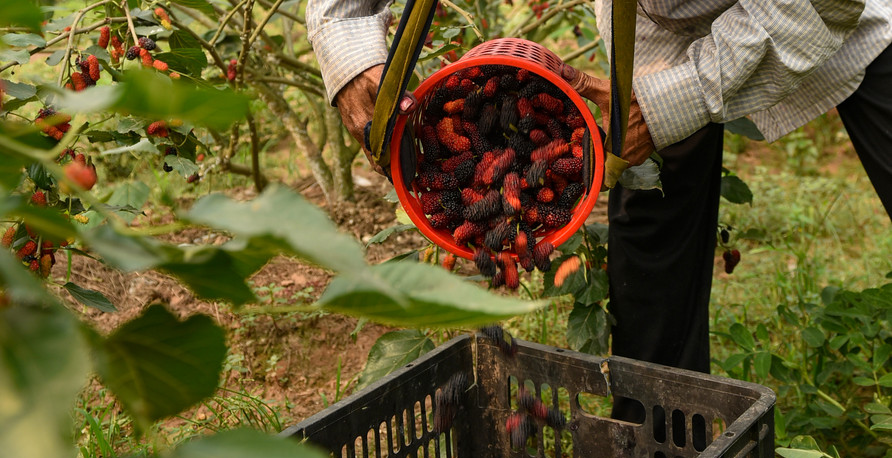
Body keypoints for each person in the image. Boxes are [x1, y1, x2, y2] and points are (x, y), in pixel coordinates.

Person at [306, 0, 892, 375]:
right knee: (653, 236)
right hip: (658, 31)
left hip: (826, 17)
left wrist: (684, 95)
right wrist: (349, 49)